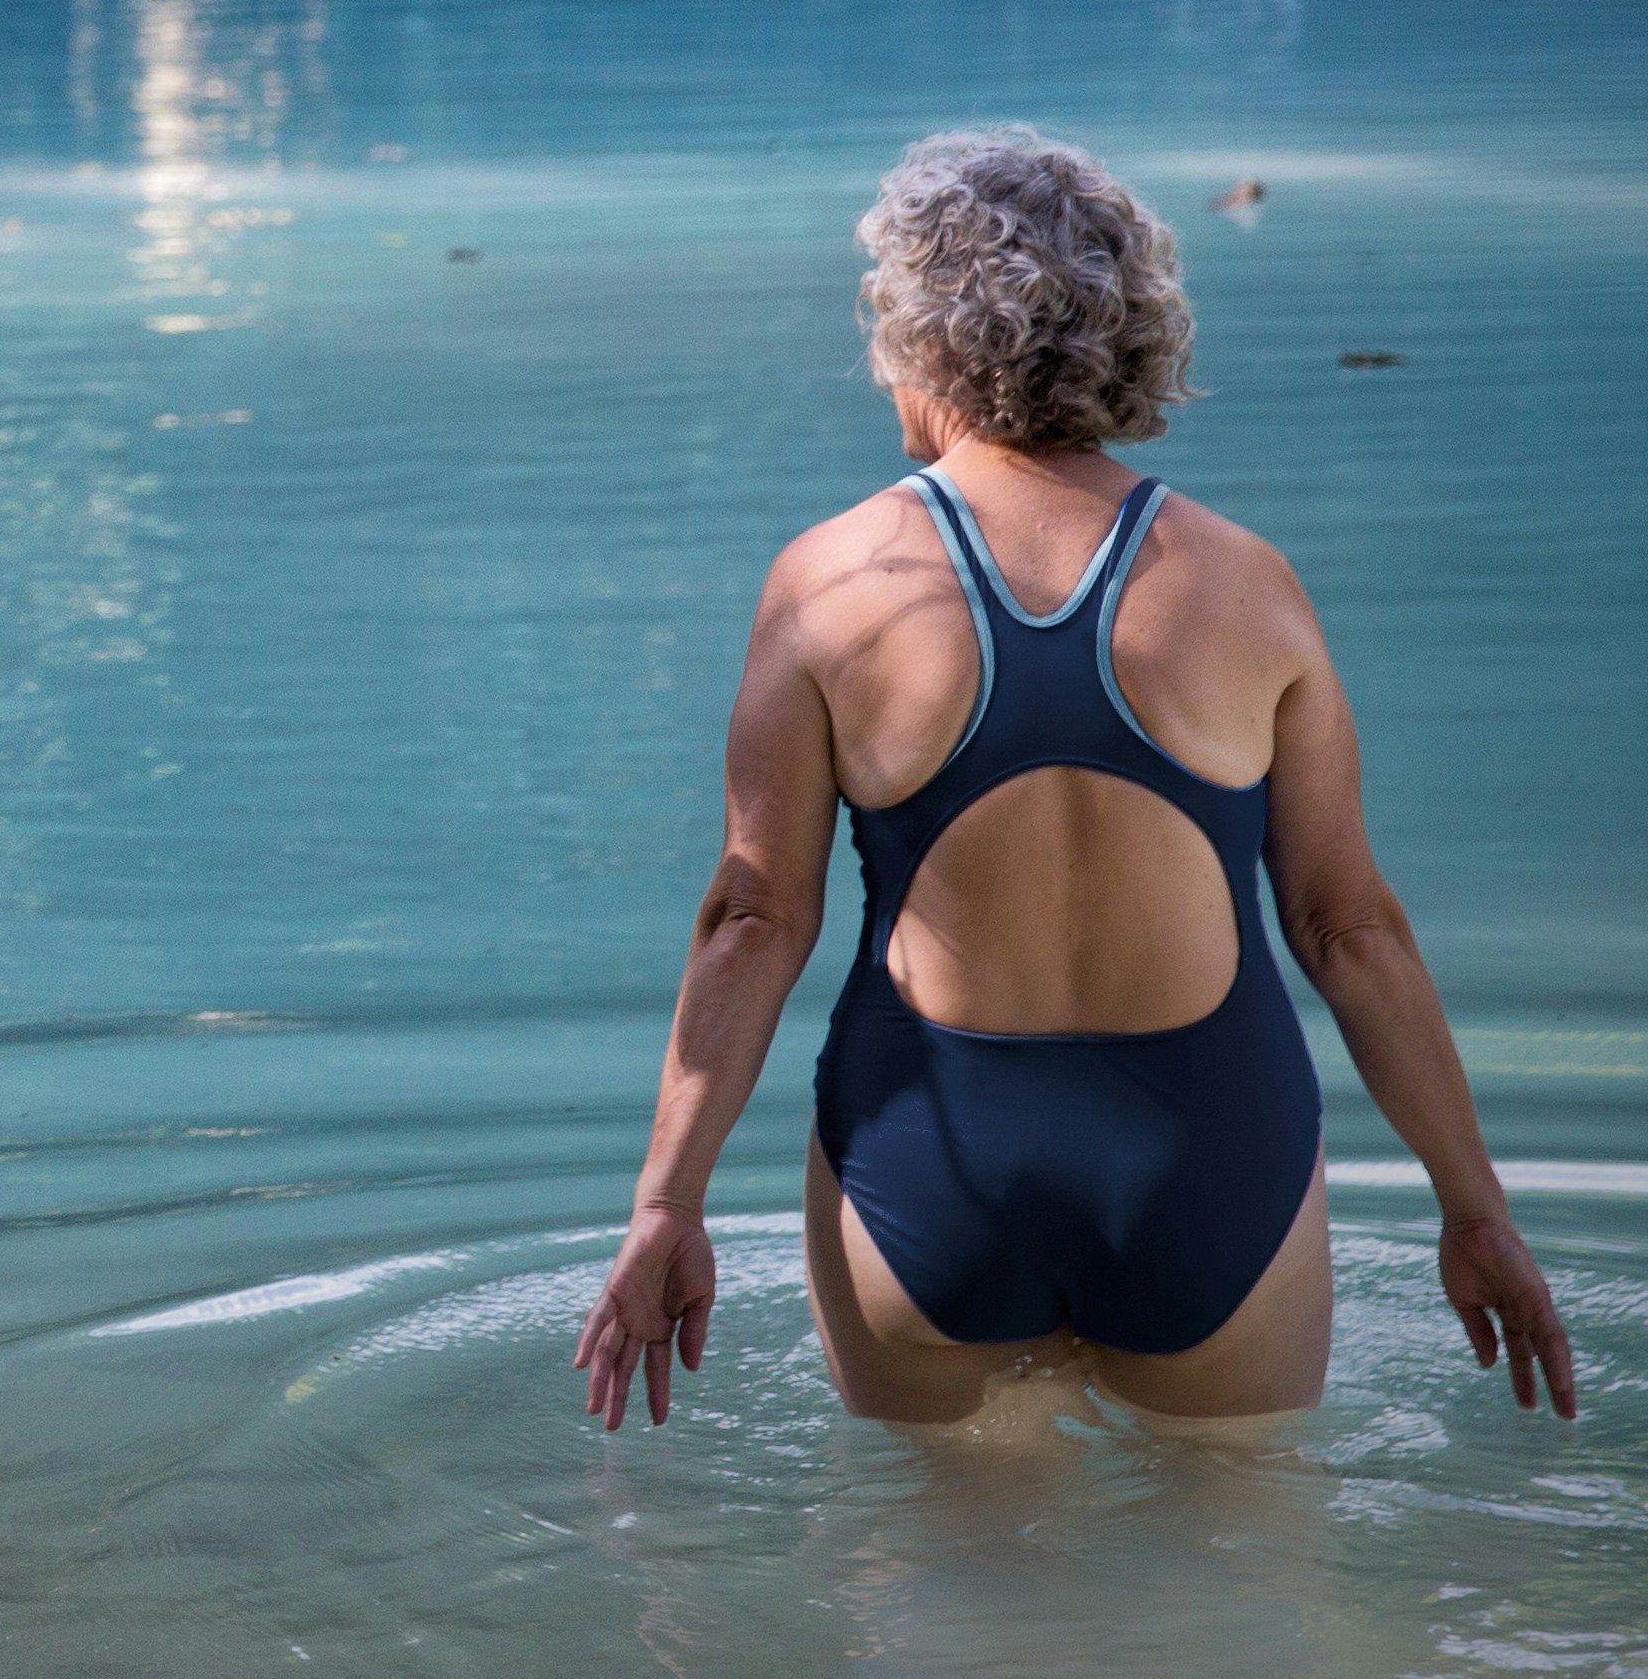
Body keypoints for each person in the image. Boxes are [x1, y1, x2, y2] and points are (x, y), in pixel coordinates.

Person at [573, 127, 1575, 1431]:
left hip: (928, 1168)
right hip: (1212, 1164)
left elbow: (756, 916)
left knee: (939, 1610)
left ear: (923, 335)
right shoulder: (1246, 586)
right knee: (1252, 1598)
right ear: (1130, 333)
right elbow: (1350, 927)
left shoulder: (829, 584)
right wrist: (1474, 1209)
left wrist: (667, 1203)